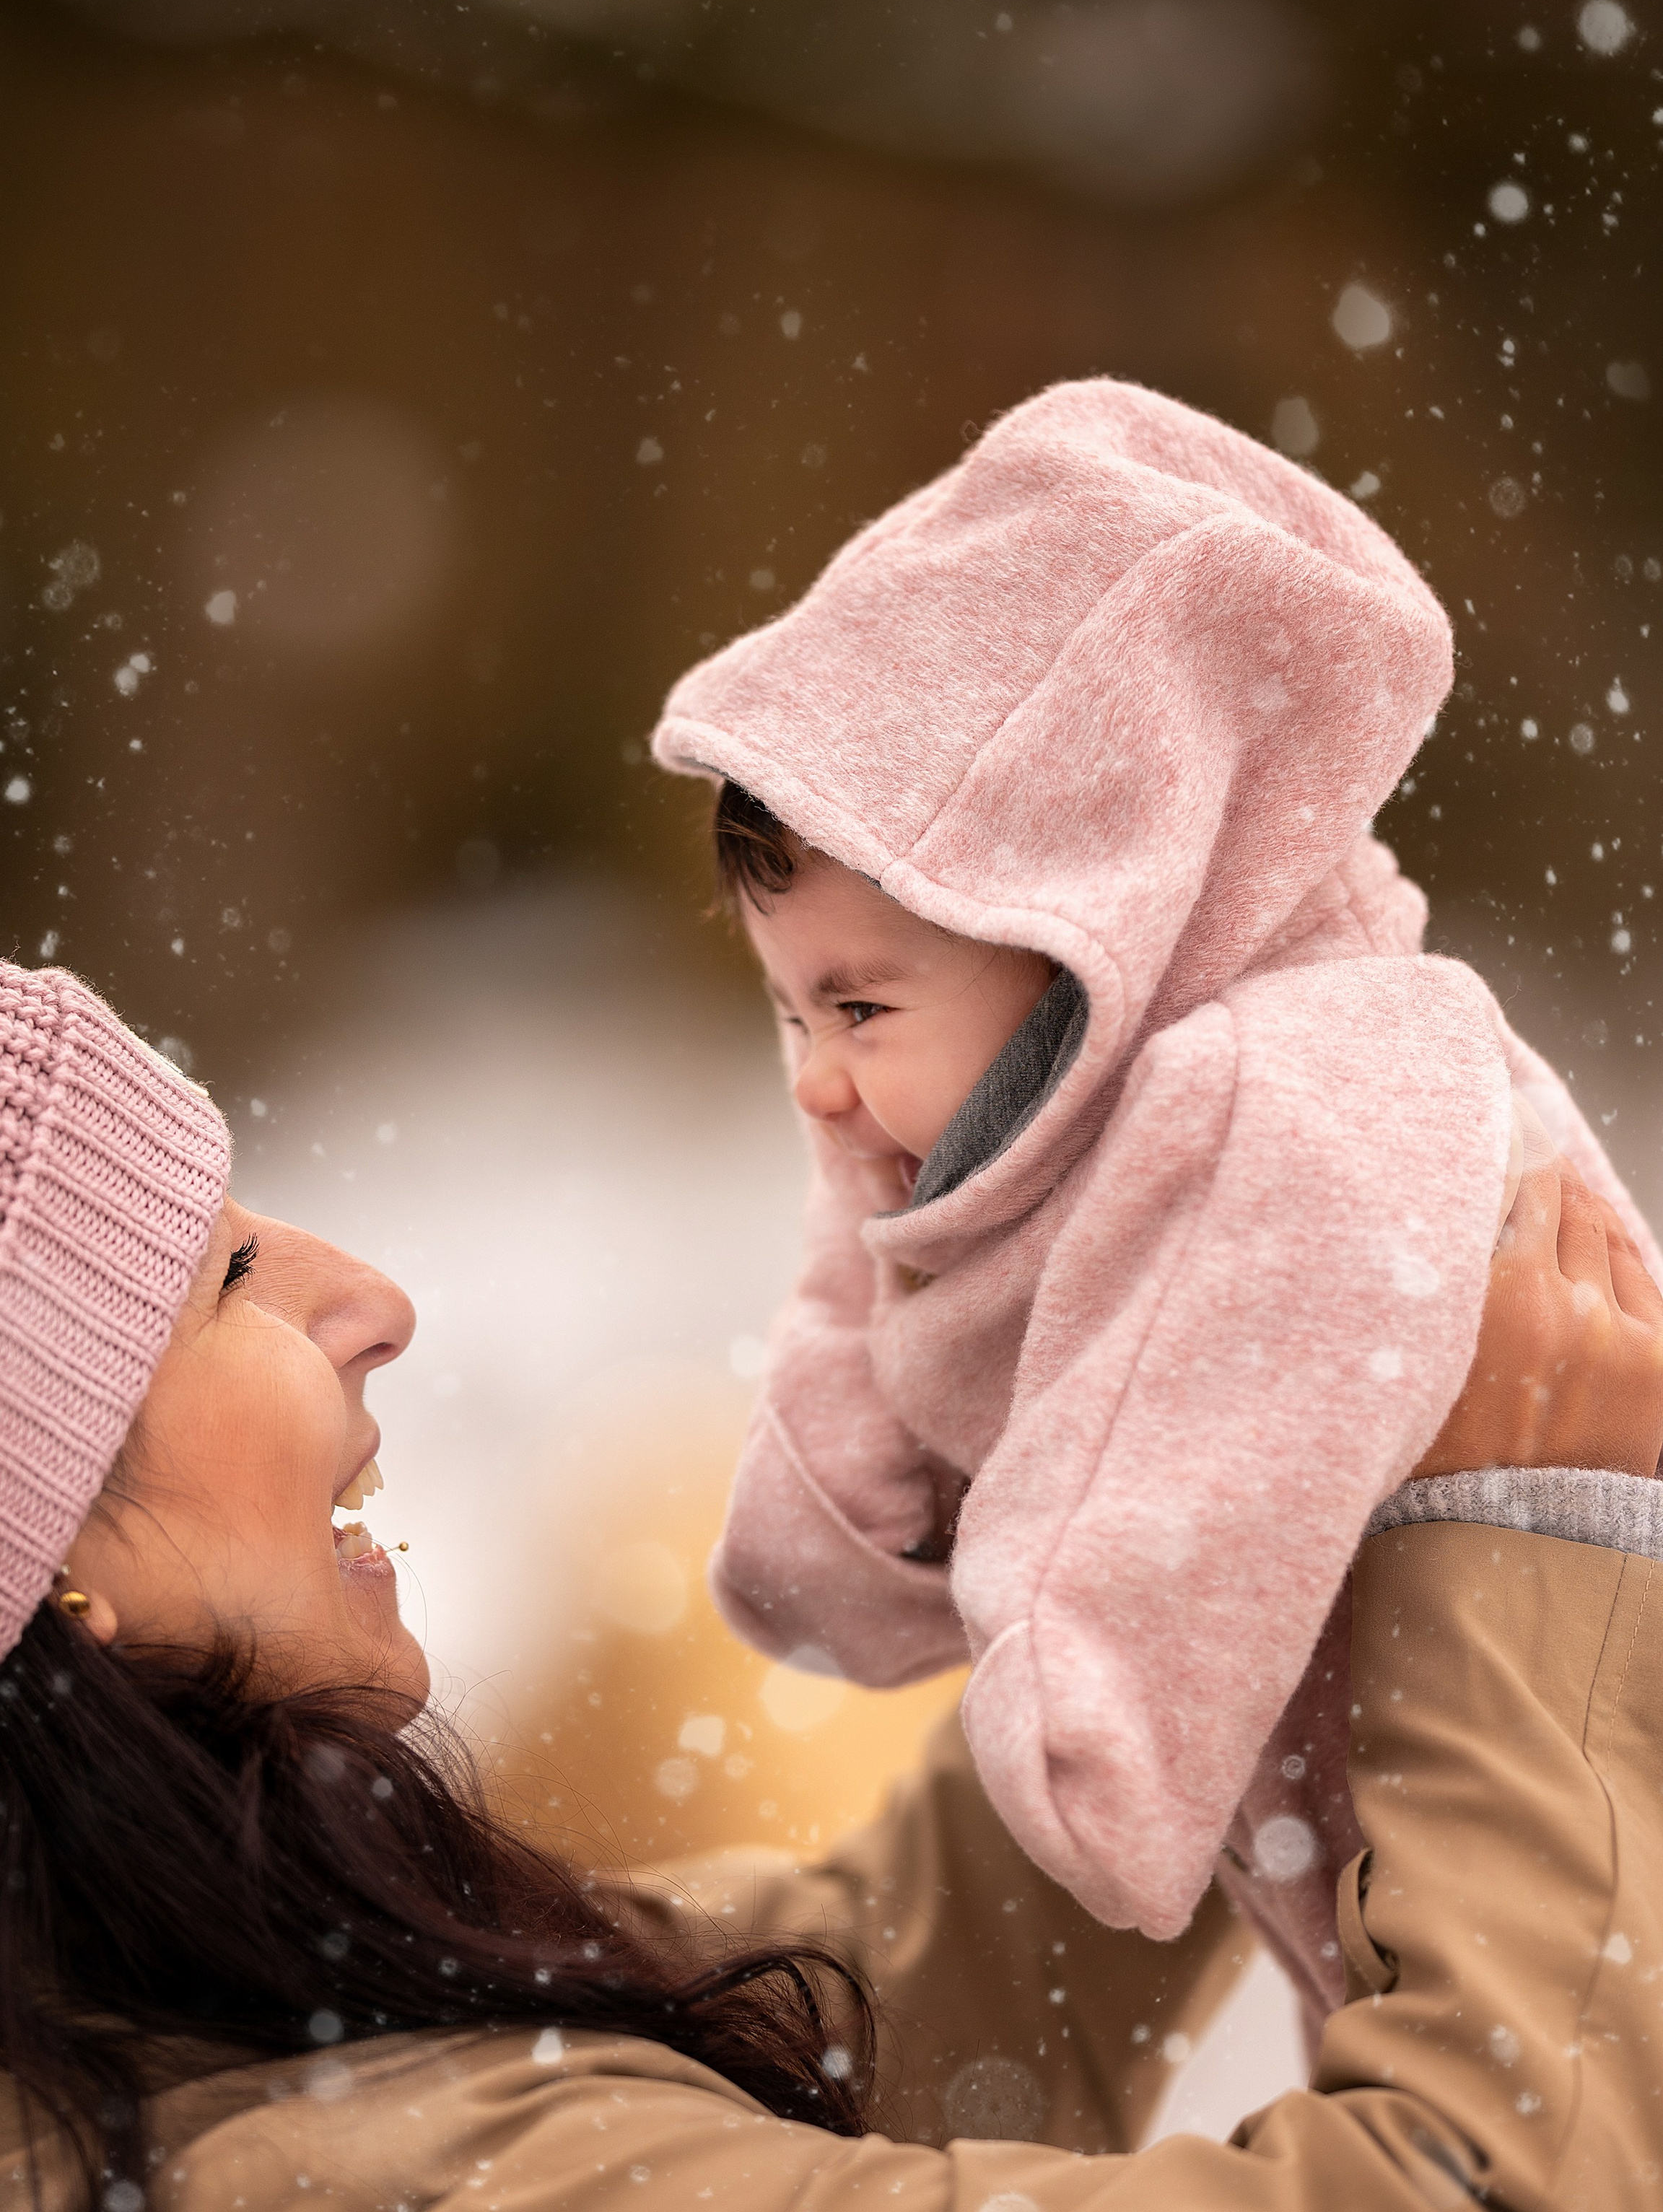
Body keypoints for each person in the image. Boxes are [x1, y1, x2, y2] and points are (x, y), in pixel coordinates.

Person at [0, 933, 1663, 2212]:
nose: (367, 1297)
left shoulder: (26, 2100)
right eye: (217, 1279)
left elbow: (847, 2009)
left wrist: (1193, 1558)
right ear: (15, 1550)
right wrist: (1514, 1560)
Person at [649, 376, 1660, 2024]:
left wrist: (1090, 1721)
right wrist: (818, 1540)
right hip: (1483, 1897)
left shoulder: (1303, 1091)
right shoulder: (1017, 1117)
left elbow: (1189, 1474)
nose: (813, 1084)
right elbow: (873, 1391)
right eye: (784, 1010)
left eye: (855, 1008)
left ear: (1080, 949)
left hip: (1601, 1849)